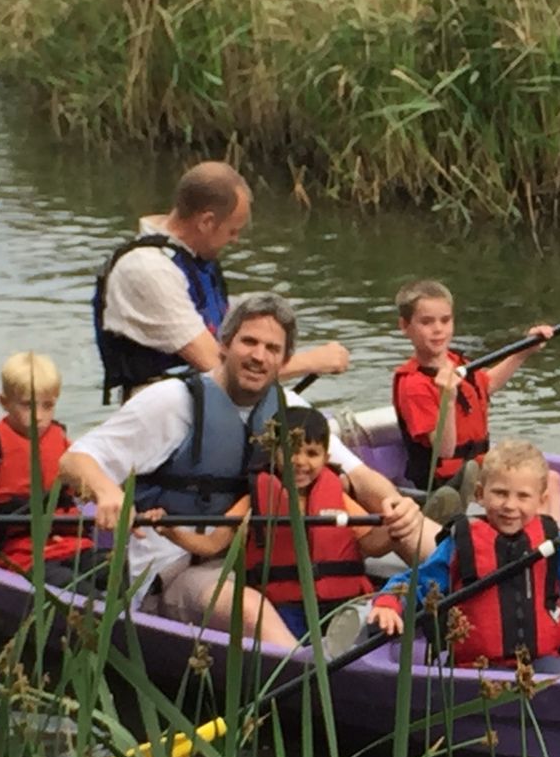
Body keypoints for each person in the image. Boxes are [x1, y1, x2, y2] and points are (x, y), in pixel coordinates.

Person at [60, 292, 432, 647]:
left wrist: (395, 504)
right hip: (183, 565)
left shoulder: (287, 408)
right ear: (223, 344)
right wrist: (107, 490)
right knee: (251, 609)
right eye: (248, 342)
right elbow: (75, 460)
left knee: (408, 525)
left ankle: (468, 606)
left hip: (268, 560)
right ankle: (315, 690)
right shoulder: (171, 402)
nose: (259, 356)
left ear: (284, 360)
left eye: (272, 348)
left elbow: (359, 475)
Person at [91, 161, 353, 401]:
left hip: (206, 406)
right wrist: (314, 361)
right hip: (161, 416)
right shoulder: (148, 270)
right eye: (232, 231)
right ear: (206, 222)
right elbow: (219, 367)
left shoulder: (192, 257)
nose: (235, 240)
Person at [366, 440, 560, 675]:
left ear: (541, 501)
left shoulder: (554, 544)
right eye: (500, 493)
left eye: (523, 496)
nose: (510, 505)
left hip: (542, 662)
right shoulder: (460, 545)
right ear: (479, 494)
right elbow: (418, 583)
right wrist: (389, 603)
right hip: (474, 669)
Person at [158, 406, 391, 642]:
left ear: (326, 458)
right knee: (293, 637)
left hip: (343, 602)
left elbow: (373, 545)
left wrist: (393, 530)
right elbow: (210, 545)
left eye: (312, 453)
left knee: (363, 627)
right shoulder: (255, 501)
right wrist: (172, 532)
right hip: (285, 606)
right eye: (290, 452)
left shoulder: (339, 498)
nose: (300, 462)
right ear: (273, 453)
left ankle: (342, 650)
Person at [0, 352, 109, 587]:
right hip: (21, 556)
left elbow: (96, 487)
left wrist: (120, 505)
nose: (39, 417)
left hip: (72, 545)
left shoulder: (65, 448)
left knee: (115, 571)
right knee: (71, 585)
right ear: (4, 402)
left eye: (48, 406)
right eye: (28, 405)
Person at [389, 279, 554, 510]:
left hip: (478, 465)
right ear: (405, 326)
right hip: (445, 482)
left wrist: (523, 350)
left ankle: (554, 541)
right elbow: (444, 450)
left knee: (551, 480)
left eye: (445, 320)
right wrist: (448, 399)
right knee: (525, 488)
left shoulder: (457, 362)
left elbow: (486, 385)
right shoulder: (414, 385)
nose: (438, 329)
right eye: (427, 322)